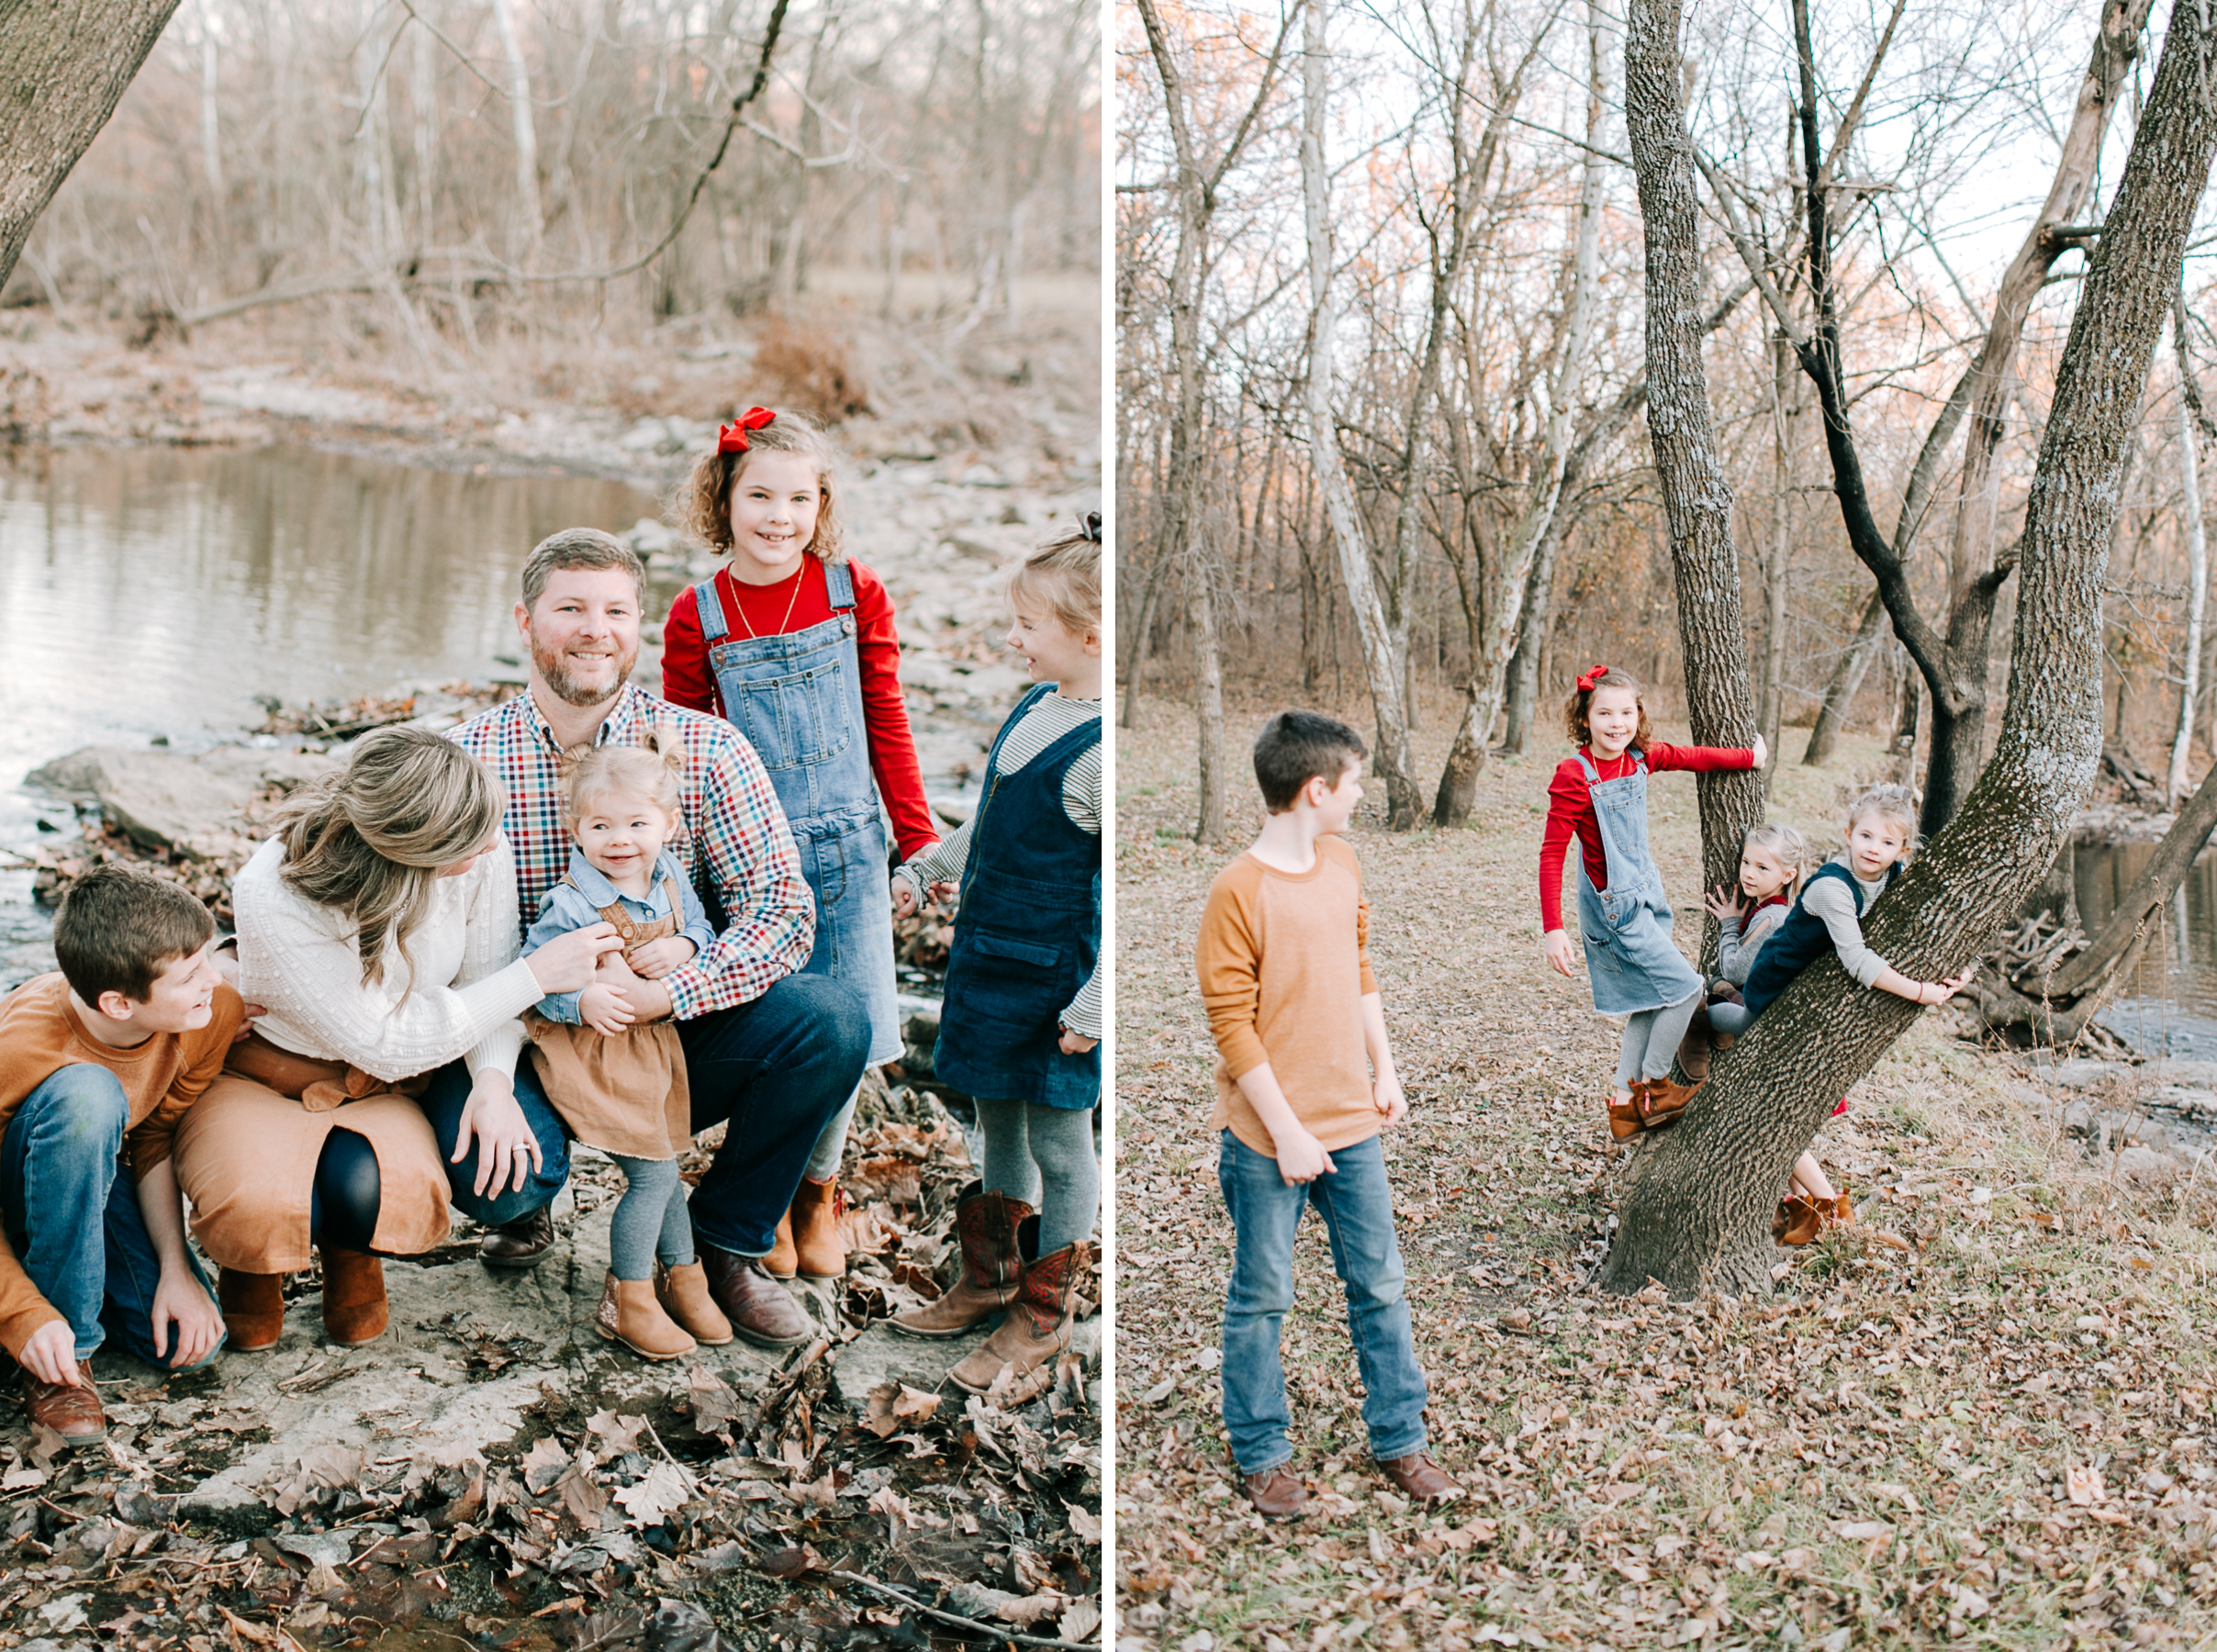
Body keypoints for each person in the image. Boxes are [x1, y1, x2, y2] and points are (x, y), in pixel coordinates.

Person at [450, 526, 868, 1349]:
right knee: (497, 1180)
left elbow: (782, 910)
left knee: (831, 1018)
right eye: (569, 607)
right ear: (524, 620)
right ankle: (531, 1205)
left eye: (614, 610)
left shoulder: (706, 750)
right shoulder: (468, 757)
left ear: (639, 621)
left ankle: (723, 1245)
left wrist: (671, 988)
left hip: (669, 1037)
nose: (592, 629)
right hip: (529, 1035)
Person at [178, 727, 621, 1353]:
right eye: (471, 840)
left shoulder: (481, 851)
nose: (494, 845)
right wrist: (537, 976)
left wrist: (492, 1083)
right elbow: (383, 1038)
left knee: (379, 1187)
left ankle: (350, 1257)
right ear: (411, 849)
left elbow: (484, 977)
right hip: (270, 1069)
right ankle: (249, 1271)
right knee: (256, 1203)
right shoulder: (274, 889)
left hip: (388, 1077)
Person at [659, 408, 938, 1283]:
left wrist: (916, 836)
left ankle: (818, 1191)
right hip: (747, 864)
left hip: (852, 851)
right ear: (724, 499)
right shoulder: (695, 614)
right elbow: (682, 756)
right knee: (781, 1028)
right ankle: (767, 1193)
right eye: (760, 496)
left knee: (849, 1038)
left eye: (800, 498)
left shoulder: (854, 591)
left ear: (822, 505)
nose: (779, 516)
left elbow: (885, 717)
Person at [1196, 710, 1460, 1520]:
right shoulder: (1237, 890)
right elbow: (1231, 1026)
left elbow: (1357, 967)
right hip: (1266, 1136)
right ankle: (1263, 1454)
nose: (1358, 797)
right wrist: (1288, 1134)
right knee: (1262, 1294)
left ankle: (1399, 1440)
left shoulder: (1342, 861)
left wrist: (1385, 1070)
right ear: (1316, 789)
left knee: (1379, 1284)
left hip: (1353, 1122)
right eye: (1352, 784)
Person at [886, 518, 1103, 1393]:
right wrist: (935, 860)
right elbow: (995, 820)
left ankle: (1043, 1313)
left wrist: (1096, 1005)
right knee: (994, 1123)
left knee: (1059, 1142)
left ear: (1090, 637)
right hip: (986, 960)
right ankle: (989, 1277)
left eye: (1026, 626)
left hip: (1057, 980)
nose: (1010, 639)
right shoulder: (1034, 705)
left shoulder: (1099, 752)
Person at [0, 867, 238, 1439]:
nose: (215, 978)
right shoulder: (21, 1046)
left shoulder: (208, 1012)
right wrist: (23, 1314)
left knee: (188, 1346)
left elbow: (152, 1137)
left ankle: (73, 1288)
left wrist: (176, 1269)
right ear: (118, 1003)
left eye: (207, 957)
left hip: (97, 1180)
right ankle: (67, 1358)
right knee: (89, 1095)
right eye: (190, 975)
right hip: (17, 1196)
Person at [520, 732, 733, 1358]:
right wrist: (578, 1001)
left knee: (667, 1163)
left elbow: (699, 924)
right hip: (596, 1054)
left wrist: (686, 947)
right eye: (602, 825)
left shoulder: (668, 880)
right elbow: (531, 979)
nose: (619, 840)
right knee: (654, 1174)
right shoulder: (572, 902)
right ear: (576, 829)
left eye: (637, 823)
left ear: (667, 825)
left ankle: (683, 1276)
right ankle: (628, 1296)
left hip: (654, 1052)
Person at [1731, 783, 1973, 1244]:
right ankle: (1831, 1208)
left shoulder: (1894, 873)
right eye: (1866, 837)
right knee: (1778, 1102)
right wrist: (1921, 992)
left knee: (1789, 1100)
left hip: (1814, 992)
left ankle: (1802, 1203)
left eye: (1887, 843)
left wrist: (1960, 969)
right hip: (1778, 987)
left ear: (1902, 849)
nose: (1874, 850)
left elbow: (1935, 925)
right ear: (1848, 833)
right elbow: (1858, 960)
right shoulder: (1830, 888)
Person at [1538, 664, 1764, 1139]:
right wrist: (1552, 927)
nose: (1616, 723)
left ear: (1637, 716)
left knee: (1649, 999)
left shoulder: (1640, 758)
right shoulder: (1574, 774)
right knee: (1684, 989)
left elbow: (1693, 756)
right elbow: (1552, 852)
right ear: (1585, 719)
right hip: (1615, 912)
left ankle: (1623, 1106)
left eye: (1626, 712)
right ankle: (1655, 1088)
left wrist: (1749, 758)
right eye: (1604, 713)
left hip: (1647, 896)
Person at [1674, 821, 1808, 1085]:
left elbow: (1733, 970)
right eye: (1746, 862)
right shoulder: (1773, 910)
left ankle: (1701, 1017)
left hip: (1768, 1004)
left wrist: (1730, 924)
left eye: (1762, 868)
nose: (1748, 873)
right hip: (1762, 990)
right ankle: (1719, 1000)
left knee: (1754, 1023)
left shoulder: (1775, 918)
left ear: (1787, 876)